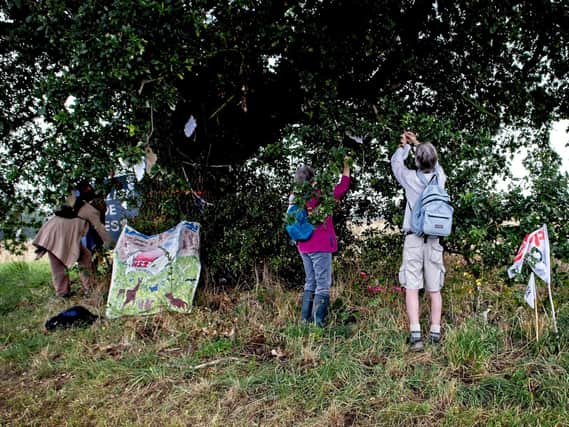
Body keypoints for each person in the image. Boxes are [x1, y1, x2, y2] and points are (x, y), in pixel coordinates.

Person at [391, 131, 446, 351]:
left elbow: (396, 164)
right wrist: (418, 143)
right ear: (434, 160)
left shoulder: (410, 178)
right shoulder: (440, 178)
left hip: (414, 239)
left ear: (416, 160)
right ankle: (435, 333)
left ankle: (416, 336)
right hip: (434, 240)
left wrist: (404, 146)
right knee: (435, 289)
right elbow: (435, 162)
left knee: (412, 287)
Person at [294, 157, 351, 327]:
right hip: (320, 244)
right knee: (323, 285)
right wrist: (346, 165)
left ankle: (305, 321)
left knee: (310, 281)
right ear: (313, 179)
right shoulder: (321, 194)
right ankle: (318, 324)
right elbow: (343, 186)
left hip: (303, 245)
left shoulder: (296, 197)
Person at [33, 182, 113, 298]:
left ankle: (62, 293)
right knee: (85, 259)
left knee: (57, 264)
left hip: (49, 232)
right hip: (60, 234)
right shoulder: (89, 210)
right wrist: (111, 244)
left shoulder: (70, 204)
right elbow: (100, 228)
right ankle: (90, 289)